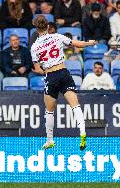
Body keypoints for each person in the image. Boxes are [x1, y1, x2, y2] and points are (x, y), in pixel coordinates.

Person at [31, 15, 96, 150]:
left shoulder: (35, 46)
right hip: (64, 72)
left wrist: (46, 69)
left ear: (36, 28)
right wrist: (89, 43)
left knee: (49, 111)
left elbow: (37, 69)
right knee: (75, 105)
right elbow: (78, 44)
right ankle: (83, 133)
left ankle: (50, 140)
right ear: (48, 26)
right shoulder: (57, 36)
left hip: (51, 76)